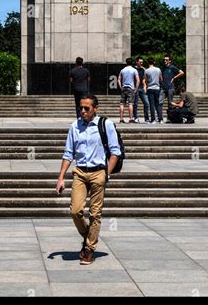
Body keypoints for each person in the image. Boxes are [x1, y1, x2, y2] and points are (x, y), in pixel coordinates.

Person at [56, 95, 120, 265]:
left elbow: (115, 152)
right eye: (80, 108)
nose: (82, 111)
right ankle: (87, 235)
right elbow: (68, 153)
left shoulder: (105, 125)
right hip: (80, 172)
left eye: (86, 108)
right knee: (75, 210)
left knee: (95, 213)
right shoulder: (74, 126)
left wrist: (107, 174)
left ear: (95, 109)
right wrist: (61, 177)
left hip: (99, 172)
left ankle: (89, 249)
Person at [117, 58, 139, 123]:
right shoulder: (134, 70)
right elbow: (138, 80)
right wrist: (135, 89)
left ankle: (121, 118)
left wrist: (121, 87)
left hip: (124, 88)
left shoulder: (122, 70)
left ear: (126, 63)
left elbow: (118, 79)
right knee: (131, 103)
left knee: (122, 104)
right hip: (131, 88)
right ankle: (131, 118)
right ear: (132, 63)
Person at [144, 58, 163, 123]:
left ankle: (153, 119)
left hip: (150, 88)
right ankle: (160, 119)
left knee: (151, 104)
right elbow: (161, 79)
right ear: (154, 62)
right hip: (157, 88)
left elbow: (145, 80)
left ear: (148, 62)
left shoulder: (146, 71)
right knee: (157, 104)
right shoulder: (158, 69)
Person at [133, 56, 149, 123]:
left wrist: (145, 87)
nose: (141, 63)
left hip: (142, 88)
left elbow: (144, 79)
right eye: (140, 62)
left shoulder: (143, 69)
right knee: (135, 104)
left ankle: (146, 118)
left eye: (142, 62)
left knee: (146, 103)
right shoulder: (133, 69)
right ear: (137, 62)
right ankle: (135, 117)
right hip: (135, 88)